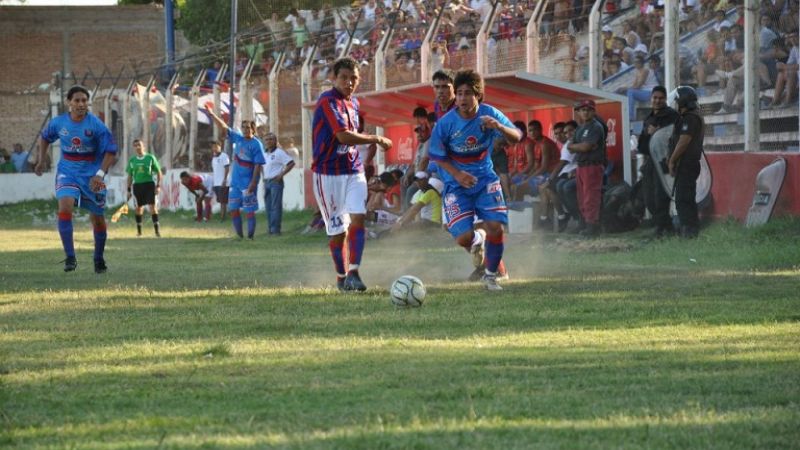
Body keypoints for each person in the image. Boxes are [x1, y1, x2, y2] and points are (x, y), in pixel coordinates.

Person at [428, 70, 522, 291]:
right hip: (455, 184)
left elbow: (516, 136)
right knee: (463, 238)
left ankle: (492, 275)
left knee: (495, 227)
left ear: (478, 95)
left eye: (467, 93)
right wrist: (458, 174)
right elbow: (437, 155)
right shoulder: (446, 122)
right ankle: (479, 239)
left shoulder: (489, 114)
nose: (461, 98)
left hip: (485, 180)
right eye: (459, 94)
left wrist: (499, 127)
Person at [311, 57, 393, 292]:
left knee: (358, 217)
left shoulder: (354, 104)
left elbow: (352, 138)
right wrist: (376, 138)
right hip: (328, 173)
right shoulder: (327, 101)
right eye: (344, 77)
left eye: (353, 78)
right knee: (338, 232)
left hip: (353, 169)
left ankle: (354, 272)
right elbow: (343, 136)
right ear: (333, 78)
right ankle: (341, 276)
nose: (349, 82)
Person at [35, 85, 117, 273]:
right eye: (77, 100)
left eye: (84, 101)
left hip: (92, 174)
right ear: (69, 103)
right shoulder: (59, 123)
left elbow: (111, 152)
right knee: (64, 206)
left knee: (97, 219)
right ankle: (70, 257)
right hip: (67, 170)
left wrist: (99, 175)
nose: (81, 104)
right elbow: (45, 137)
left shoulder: (96, 125)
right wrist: (41, 160)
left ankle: (98, 259)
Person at [206, 108, 265, 240]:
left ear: (253, 129)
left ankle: (250, 237)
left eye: (248, 127)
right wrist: (213, 115)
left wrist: (253, 184)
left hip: (248, 184)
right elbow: (224, 127)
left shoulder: (256, 145)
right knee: (233, 209)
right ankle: (240, 236)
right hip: (235, 183)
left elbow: (258, 165)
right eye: (243, 127)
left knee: (249, 210)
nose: (245, 129)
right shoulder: (238, 138)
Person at [637, 86, 679, 237]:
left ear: (665, 99)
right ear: (651, 98)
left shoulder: (672, 115)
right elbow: (643, 143)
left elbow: (674, 138)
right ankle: (664, 226)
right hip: (650, 162)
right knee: (648, 197)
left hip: (663, 161)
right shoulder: (648, 117)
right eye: (655, 97)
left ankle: (663, 228)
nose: (657, 100)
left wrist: (657, 133)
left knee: (660, 196)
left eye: (661, 98)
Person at [667, 86, 705, 239]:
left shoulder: (690, 118)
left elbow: (684, 141)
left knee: (684, 199)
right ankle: (690, 230)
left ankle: (689, 231)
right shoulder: (688, 117)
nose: (675, 103)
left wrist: (672, 160)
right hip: (686, 164)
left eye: (677, 100)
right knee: (685, 197)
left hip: (687, 164)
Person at [567, 99, 606, 237]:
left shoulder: (596, 126)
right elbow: (570, 147)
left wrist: (579, 146)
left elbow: (586, 146)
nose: (585, 112)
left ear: (593, 111)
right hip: (581, 165)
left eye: (588, 109)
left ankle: (592, 227)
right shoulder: (580, 127)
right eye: (583, 110)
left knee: (591, 197)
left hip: (593, 165)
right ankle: (586, 225)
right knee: (582, 197)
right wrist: (579, 147)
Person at [125, 139, 163, 237]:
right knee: (138, 208)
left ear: (143, 146)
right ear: (134, 148)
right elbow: (130, 176)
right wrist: (128, 190)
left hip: (149, 185)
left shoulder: (150, 158)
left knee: (153, 207)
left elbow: (159, 172)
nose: (137, 147)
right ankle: (139, 232)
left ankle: (157, 231)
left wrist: (158, 186)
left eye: (139, 145)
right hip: (137, 186)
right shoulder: (132, 160)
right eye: (135, 145)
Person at [261, 132, 295, 235]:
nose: (268, 141)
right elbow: (262, 167)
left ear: (275, 141)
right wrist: (263, 177)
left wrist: (281, 175)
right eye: (266, 140)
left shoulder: (279, 153)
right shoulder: (264, 153)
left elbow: (291, 163)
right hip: (266, 182)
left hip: (276, 182)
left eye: (271, 139)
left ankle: (276, 230)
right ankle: (270, 228)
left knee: (276, 206)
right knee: (268, 207)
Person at [210, 140, 230, 220]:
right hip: (216, 183)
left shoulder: (224, 156)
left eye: (216, 147)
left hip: (223, 182)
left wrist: (225, 180)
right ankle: (224, 216)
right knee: (221, 201)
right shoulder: (214, 158)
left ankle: (222, 218)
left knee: (223, 201)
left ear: (220, 147)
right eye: (213, 147)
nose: (214, 148)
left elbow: (227, 168)